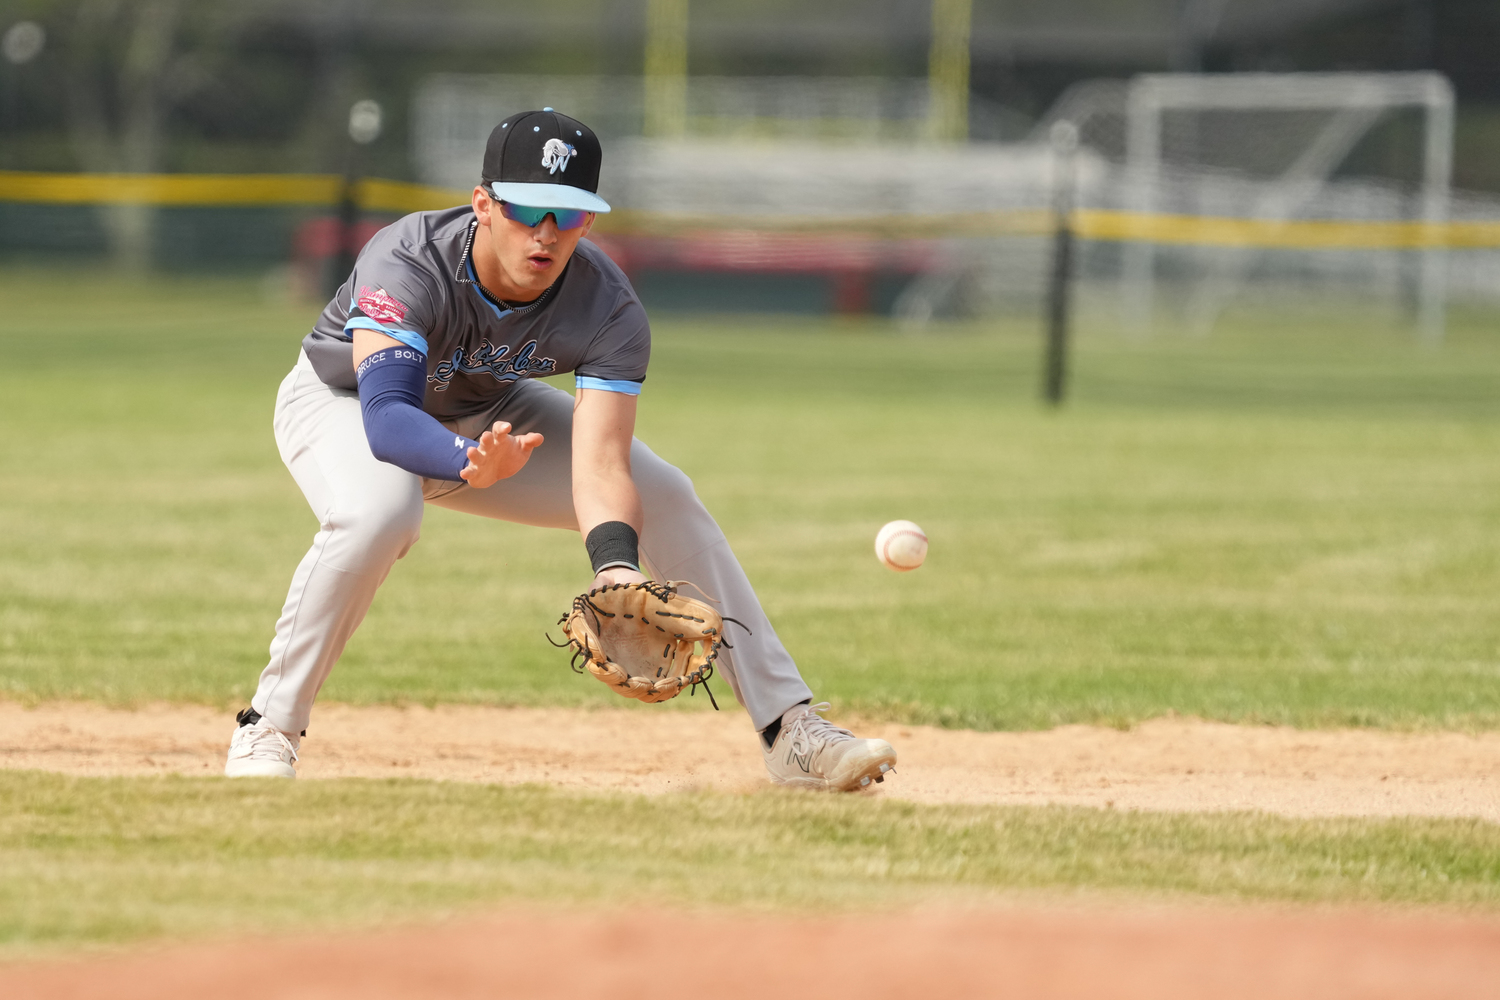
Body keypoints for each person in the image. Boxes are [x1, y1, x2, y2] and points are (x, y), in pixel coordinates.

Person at [224, 109, 897, 792]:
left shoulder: (607, 305)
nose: (546, 234)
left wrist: (615, 568)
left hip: (488, 414)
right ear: (483, 205)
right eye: (527, 209)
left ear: (589, 222)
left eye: (567, 216)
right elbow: (389, 418)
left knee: (663, 491)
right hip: (344, 401)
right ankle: (267, 726)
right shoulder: (410, 259)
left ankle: (791, 732)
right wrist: (462, 460)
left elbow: (603, 463)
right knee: (381, 514)